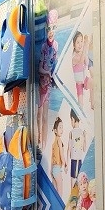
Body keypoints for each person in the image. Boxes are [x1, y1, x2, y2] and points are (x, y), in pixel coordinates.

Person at [37, 11, 58, 150]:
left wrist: (53, 75)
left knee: (45, 116)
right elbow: (40, 68)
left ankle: (44, 146)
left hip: (48, 84)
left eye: (53, 28)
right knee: (39, 115)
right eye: (49, 29)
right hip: (41, 84)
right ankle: (38, 142)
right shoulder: (44, 46)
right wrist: (47, 73)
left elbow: (55, 62)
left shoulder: (56, 45)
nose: (51, 32)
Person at [71, 30, 90, 111]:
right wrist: (85, 46)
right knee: (80, 104)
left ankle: (92, 102)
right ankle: (78, 114)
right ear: (74, 45)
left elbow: (87, 62)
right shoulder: (74, 57)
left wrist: (86, 44)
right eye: (78, 42)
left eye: (81, 41)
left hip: (84, 79)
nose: (80, 44)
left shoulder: (82, 52)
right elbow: (81, 61)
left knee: (93, 83)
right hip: (79, 83)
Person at [67, 108, 86, 191]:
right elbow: (84, 149)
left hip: (75, 160)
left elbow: (69, 149)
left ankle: (74, 198)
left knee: (74, 181)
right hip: (78, 160)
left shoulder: (72, 132)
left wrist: (66, 163)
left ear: (72, 119)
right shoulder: (81, 132)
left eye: (70, 120)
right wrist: (85, 138)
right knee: (78, 182)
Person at [50, 117, 65, 195]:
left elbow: (52, 158)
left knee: (55, 192)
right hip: (58, 169)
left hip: (54, 169)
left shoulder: (53, 143)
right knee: (60, 192)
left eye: (62, 127)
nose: (62, 130)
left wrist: (51, 171)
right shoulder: (59, 140)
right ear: (55, 130)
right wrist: (65, 165)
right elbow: (62, 155)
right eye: (60, 127)